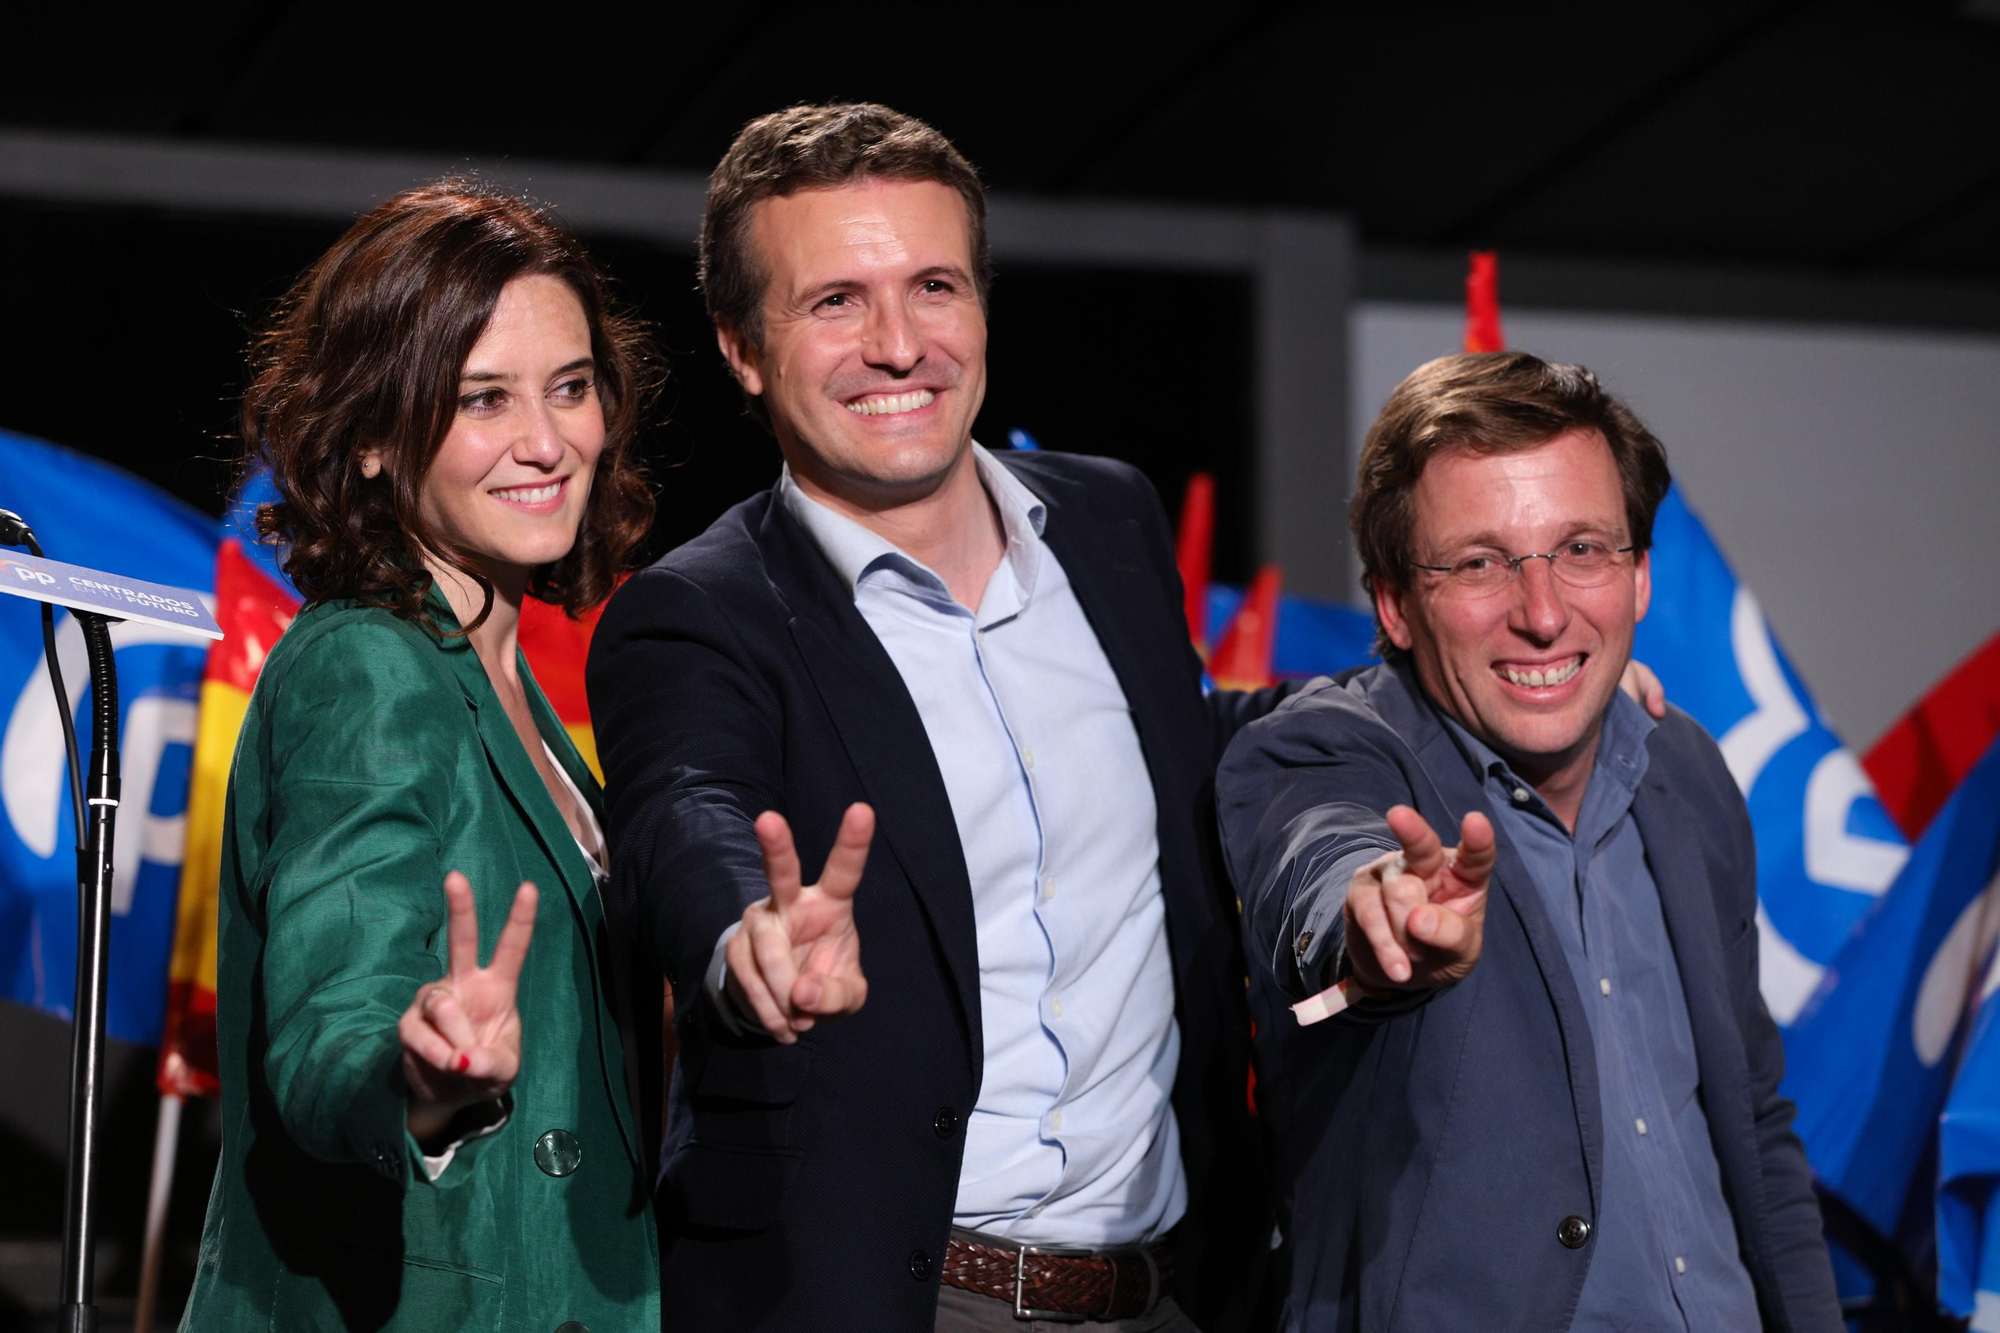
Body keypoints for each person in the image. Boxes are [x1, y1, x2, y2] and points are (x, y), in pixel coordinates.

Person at [586, 102, 1278, 1332]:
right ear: (743, 347)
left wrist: (1446, 697)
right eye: (835, 301)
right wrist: (744, 941)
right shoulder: (694, 617)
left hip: (1175, 1290)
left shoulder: (1109, 524)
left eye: (934, 286)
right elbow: (677, 816)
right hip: (893, 1300)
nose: (898, 345)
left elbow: (1197, 735)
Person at [1215, 350, 1842, 1331]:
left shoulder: (1686, 771)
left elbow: (1752, 1121)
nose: (1542, 614)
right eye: (1477, 563)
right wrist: (1374, 919)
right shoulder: (1321, 753)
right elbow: (1320, 858)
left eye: (1581, 549)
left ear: (1636, 577)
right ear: (1393, 605)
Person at [181, 179, 662, 1332]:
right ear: (371, 440)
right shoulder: (372, 672)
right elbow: (334, 1016)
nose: (547, 442)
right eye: (481, 400)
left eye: (570, 387)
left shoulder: (500, 676)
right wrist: (419, 1079)